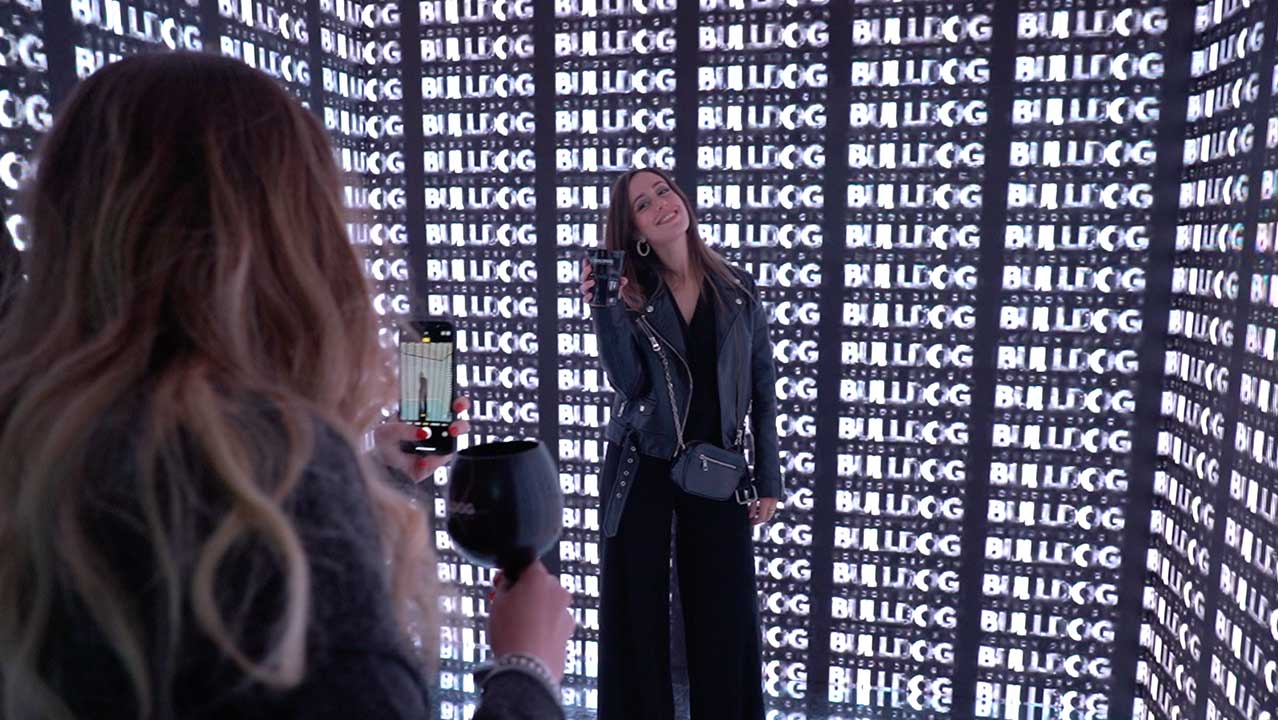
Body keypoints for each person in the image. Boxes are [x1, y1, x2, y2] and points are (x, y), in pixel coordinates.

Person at [0, 52, 574, 720]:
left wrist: (376, 474)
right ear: (295, 239)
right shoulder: (271, 483)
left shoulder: (41, 447)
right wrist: (528, 671)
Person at [580, 167, 783, 720]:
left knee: (724, 620)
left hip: (719, 473)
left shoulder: (737, 288)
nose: (661, 204)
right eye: (644, 204)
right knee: (640, 623)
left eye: (663, 191)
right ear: (635, 230)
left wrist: (767, 477)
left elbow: (762, 388)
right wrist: (606, 310)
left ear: (682, 199)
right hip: (642, 470)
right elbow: (628, 384)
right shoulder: (631, 293)